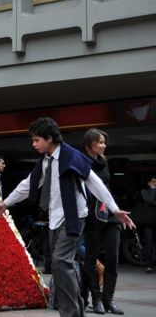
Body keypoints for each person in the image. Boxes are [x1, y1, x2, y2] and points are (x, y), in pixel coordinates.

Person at [0, 117, 135, 317]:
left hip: (74, 217)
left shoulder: (72, 156)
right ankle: (77, 309)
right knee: (60, 267)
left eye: (36, 140)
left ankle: (71, 313)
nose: (33, 145)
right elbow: (28, 184)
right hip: (55, 218)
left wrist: (114, 209)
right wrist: (5, 203)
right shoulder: (45, 162)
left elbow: (94, 183)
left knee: (60, 262)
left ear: (49, 138)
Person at [80, 128, 124, 314]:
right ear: (90, 144)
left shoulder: (104, 162)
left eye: (104, 142)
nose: (104, 145)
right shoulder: (81, 162)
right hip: (92, 216)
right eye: (100, 142)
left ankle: (109, 300)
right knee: (90, 259)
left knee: (113, 259)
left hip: (110, 215)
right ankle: (96, 299)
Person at [132, 173, 156, 273]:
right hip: (148, 222)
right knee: (149, 244)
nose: (155, 183)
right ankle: (149, 265)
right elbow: (149, 199)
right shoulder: (144, 191)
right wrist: (153, 189)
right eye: (154, 181)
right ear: (149, 182)